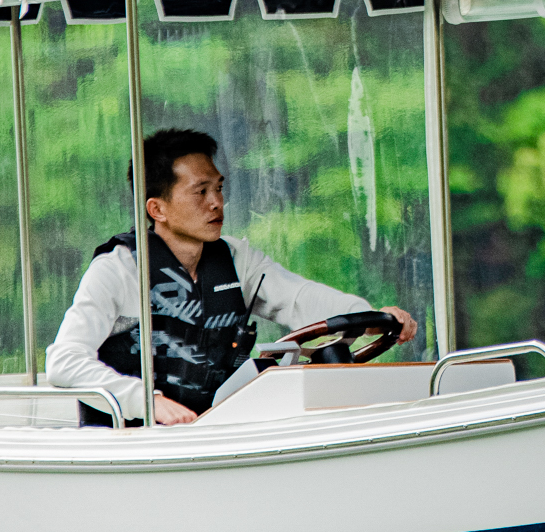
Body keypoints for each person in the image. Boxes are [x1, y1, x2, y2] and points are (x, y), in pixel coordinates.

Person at [46, 127, 418, 425]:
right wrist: (147, 401)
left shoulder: (237, 259)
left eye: (219, 188)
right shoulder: (119, 268)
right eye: (200, 192)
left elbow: (300, 299)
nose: (216, 203)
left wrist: (365, 315)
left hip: (219, 434)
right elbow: (63, 361)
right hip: (133, 448)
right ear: (157, 208)